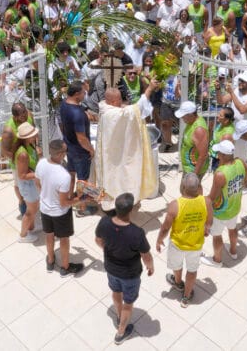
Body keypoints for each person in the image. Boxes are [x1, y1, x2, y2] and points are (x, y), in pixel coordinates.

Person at [95, 192, 155, 346]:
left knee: (116, 292)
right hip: (130, 275)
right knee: (128, 303)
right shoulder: (136, 233)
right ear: (131, 210)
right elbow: (146, 256)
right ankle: (121, 333)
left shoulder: (104, 222)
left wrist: (109, 250)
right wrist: (150, 267)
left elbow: (98, 240)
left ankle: (118, 315)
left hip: (111, 269)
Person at [93, 85, 159, 211]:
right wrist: (149, 89)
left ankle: (115, 201)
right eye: (119, 99)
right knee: (117, 178)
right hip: (114, 157)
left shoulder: (104, 107)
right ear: (113, 101)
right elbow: (136, 109)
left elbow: (125, 110)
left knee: (115, 178)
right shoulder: (112, 114)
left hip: (112, 153)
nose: (121, 101)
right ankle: (114, 205)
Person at [155, 172, 212, 308]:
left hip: (177, 244)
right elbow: (209, 222)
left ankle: (178, 282)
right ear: (198, 187)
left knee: (177, 266)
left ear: (183, 187)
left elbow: (165, 228)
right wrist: (206, 230)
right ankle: (186, 297)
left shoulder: (175, 205)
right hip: (196, 245)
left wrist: (159, 240)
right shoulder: (206, 202)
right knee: (192, 271)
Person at [36, 139, 85, 277]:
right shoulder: (64, 176)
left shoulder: (41, 163)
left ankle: (50, 261)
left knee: (49, 235)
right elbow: (64, 203)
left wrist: (45, 196)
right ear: (60, 154)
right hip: (60, 213)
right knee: (64, 239)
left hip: (44, 209)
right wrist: (81, 199)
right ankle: (65, 267)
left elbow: (37, 183)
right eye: (65, 151)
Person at [202, 139, 245, 267]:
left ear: (224, 155)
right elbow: (246, 179)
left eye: (219, 153)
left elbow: (212, 198)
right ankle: (233, 251)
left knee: (216, 235)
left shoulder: (220, 174)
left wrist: (202, 200)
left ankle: (217, 260)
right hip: (235, 207)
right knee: (232, 228)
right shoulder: (241, 163)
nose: (217, 155)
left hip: (220, 212)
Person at [59, 81, 96, 214]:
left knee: (71, 174)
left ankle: (69, 200)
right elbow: (81, 137)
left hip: (69, 147)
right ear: (76, 94)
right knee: (82, 181)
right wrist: (91, 149)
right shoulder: (77, 114)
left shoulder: (64, 104)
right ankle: (82, 208)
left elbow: (62, 125)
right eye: (83, 93)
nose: (85, 95)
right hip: (80, 151)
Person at [13, 122, 42, 243]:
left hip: (32, 183)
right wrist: (39, 174)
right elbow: (22, 175)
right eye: (33, 135)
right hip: (28, 185)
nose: (36, 136)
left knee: (34, 208)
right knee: (31, 211)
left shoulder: (29, 146)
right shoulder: (23, 154)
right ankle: (23, 235)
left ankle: (31, 228)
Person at [176, 100, 210, 177]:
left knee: (189, 185)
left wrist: (194, 175)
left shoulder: (199, 130)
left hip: (193, 170)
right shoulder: (191, 122)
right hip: (188, 168)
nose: (181, 117)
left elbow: (203, 155)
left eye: (183, 115)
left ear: (191, 115)